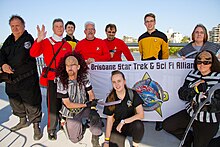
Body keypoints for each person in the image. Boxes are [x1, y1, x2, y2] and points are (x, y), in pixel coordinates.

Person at [163, 50, 220, 147]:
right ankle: (188, 138)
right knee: (168, 125)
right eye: (199, 61)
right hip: (191, 112)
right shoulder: (193, 74)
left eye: (206, 62)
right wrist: (195, 89)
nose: (202, 64)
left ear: (212, 62)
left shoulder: (218, 77)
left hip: (208, 119)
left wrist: (206, 104)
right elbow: (182, 94)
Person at [0, 15, 42, 140]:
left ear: (24, 25)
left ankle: (36, 126)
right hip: (11, 80)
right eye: (12, 26)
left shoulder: (28, 40)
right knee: (15, 101)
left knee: (32, 103)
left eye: (17, 25)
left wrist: (9, 66)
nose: (15, 28)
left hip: (27, 79)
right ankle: (22, 120)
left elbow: (22, 58)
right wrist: (3, 65)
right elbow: (1, 54)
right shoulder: (9, 39)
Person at [30, 18, 72, 140]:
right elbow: (33, 53)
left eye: (61, 26)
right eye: (57, 26)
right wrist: (38, 39)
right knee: (52, 104)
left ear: (64, 29)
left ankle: (63, 122)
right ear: (53, 28)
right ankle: (51, 129)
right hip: (52, 78)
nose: (59, 28)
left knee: (65, 102)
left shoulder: (67, 45)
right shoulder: (45, 42)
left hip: (64, 78)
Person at [56, 52, 102, 147]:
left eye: (73, 65)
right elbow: (68, 104)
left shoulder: (84, 78)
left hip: (85, 107)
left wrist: (92, 108)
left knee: (96, 117)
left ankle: (95, 136)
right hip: (71, 111)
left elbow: (90, 93)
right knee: (75, 140)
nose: (70, 67)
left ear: (78, 67)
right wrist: (87, 105)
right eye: (67, 65)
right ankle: (82, 125)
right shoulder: (61, 82)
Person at [138, 12, 169, 131]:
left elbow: (165, 54)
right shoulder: (141, 38)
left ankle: (158, 120)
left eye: (151, 21)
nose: (149, 23)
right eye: (147, 21)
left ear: (155, 22)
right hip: (146, 67)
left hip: (159, 68)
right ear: (144, 23)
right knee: (145, 92)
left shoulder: (162, 36)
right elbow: (141, 53)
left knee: (158, 93)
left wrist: (162, 66)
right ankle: (145, 116)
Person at [103, 70, 144, 147]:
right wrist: (106, 141)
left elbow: (141, 115)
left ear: (124, 82)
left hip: (130, 124)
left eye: (119, 81)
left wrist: (124, 121)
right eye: (114, 82)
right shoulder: (110, 98)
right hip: (117, 127)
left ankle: (135, 145)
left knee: (139, 125)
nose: (117, 84)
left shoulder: (132, 94)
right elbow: (109, 121)